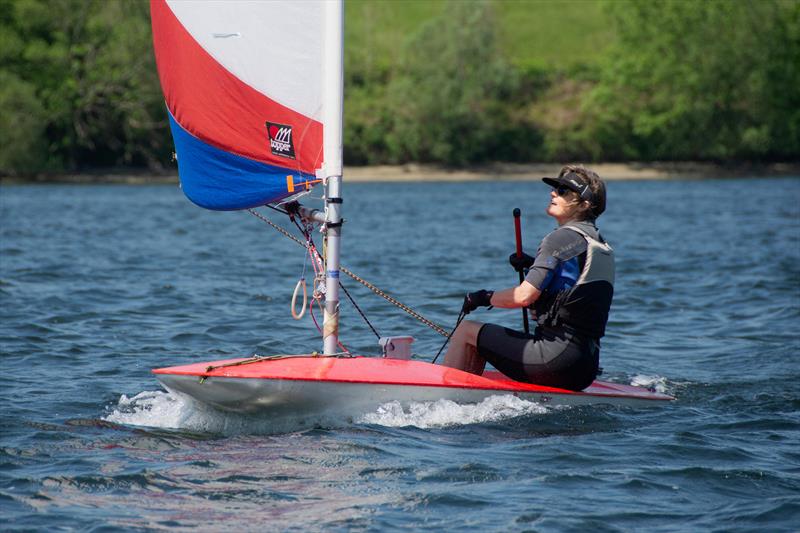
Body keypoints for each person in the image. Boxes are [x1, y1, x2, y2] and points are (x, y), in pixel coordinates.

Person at [442, 165, 614, 391]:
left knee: (466, 331)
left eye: (564, 191)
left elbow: (524, 296)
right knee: (481, 338)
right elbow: (572, 292)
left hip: (554, 361)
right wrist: (534, 264)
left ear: (584, 204)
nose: (554, 193)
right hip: (585, 369)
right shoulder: (599, 245)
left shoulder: (560, 238)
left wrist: (484, 297)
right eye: (555, 188)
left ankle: (445, 396)